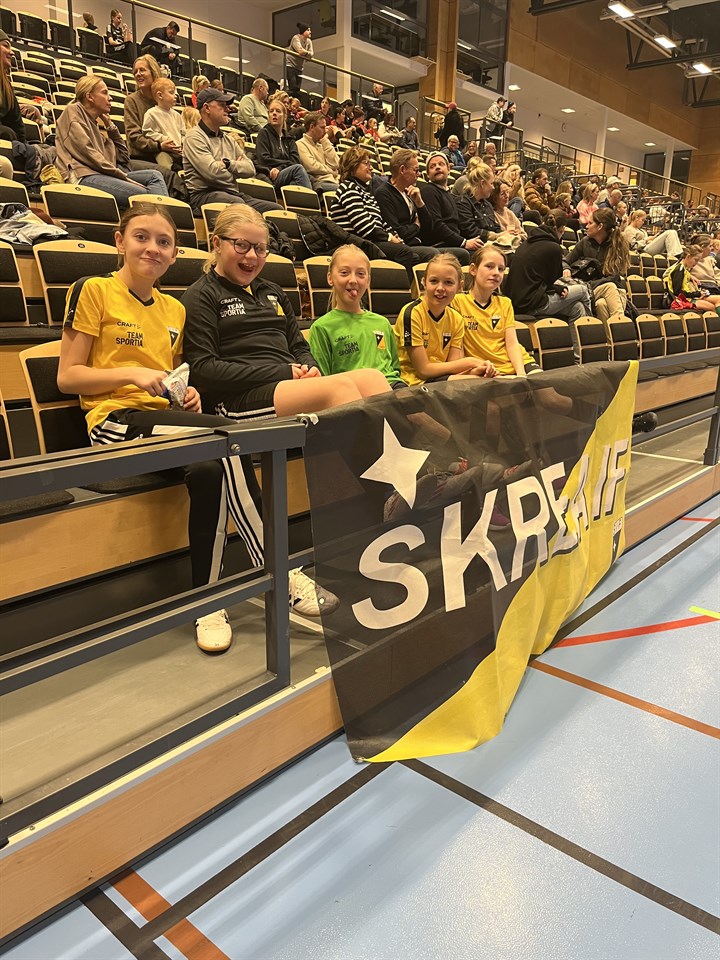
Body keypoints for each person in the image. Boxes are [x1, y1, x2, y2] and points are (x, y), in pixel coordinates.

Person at [182, 202, 392, 442]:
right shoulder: (202, 295)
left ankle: (400, 463)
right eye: (241, 245)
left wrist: (310, 367)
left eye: (260, 248)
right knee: (339, 389)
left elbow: (298, 346)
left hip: (285, 387)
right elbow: (204, 369)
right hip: (235, 401)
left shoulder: (272, 291)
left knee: (372, 379)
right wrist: (282, 372)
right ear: (217, 244)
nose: (251, 256)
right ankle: (378, 465)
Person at [55, 75, 167, 208]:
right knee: (147, 196)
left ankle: (162, 219)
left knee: (154, 176)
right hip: (82, 176)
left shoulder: (95, 126)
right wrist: (123, 177)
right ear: (90, 97)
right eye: (104, 93)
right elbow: (88, 153)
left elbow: (123, 157)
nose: (110, 98)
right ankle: (164, 219)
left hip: (100, 175)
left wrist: (110, 126)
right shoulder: (73, 111)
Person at [393, 253, 496, 385]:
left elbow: (452, 368)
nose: (440, 288)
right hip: (412, 382)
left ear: (460, 286)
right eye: (434, 281)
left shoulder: (456, 319)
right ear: (424, 282)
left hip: (441, 380)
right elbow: (423, 370)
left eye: (448, 282)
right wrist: (471, 362)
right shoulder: (412, 313)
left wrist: (475, 371)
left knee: (485, 379)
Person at [309, 245, 404, 387]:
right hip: (354, 393)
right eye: (344, 273)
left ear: (368, 281)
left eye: (360, 274)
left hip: (392, 387)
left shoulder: (382, 323)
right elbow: (323, 382)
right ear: (330, 278)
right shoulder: (322, 328)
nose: (353, 280)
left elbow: (395, 369)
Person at [330, 145, 425, 280]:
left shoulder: (366, 192)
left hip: (369, 242)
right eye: (367, 164)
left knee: (413, 256)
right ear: (353, 165)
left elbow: (380, 222)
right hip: (355, 244)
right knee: (404, 253)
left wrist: (394, 235)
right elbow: (364, 227)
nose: (371, 168)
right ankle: (394, 292)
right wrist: (389, 238)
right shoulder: (348, 188)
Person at [182, 88, 282, 215]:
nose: (228, 109)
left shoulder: (228, 140)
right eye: (222, 105)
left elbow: (250, 169)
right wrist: (235, 172)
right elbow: (212, 173)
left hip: (232, 194)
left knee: (276, 210)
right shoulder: (194, 137)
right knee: (239, 206)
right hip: (204, 195)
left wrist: (228, 164)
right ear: (207, 108)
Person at [503, 212, 592, 354]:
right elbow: (554, 278)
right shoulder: (553, 248)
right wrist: (555, 286)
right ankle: (590, 331)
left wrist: (555, 287)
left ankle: (578, 356)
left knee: (577, 308)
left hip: (518, 300)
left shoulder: (527, 243)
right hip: (532, 303)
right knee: (583, 290)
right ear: (562, 229)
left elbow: (540, 279)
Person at [452, 245, 541, 377]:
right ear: (473, 269)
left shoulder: (505, 303)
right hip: (487, 368)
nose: (496, 273)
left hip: (518, 362)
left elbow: (512, 344)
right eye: (489, 266)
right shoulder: (457, 302)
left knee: (545, 388)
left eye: (501, 269)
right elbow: (458, 348)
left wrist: (521, 374)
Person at [373, 148, 443, 266]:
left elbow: (429, 228)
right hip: (403, 247)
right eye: (416, 170)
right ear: (402, 170)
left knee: (460, 255)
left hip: (418, 243)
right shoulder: (384, 193)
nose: (419, 174)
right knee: (433, 254)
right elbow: (397, 231)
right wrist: (416, 225)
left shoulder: (409, 193)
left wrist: (420, 203)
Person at [563, 207, 631, 323]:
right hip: (590, 290)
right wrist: (566, 268)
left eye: (590, 223)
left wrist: (588, 285)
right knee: (608, 289)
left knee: (601, 304)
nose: (586, 226)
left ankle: (611, 333)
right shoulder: (585, 242)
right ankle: (621, 326)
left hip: (612, 291)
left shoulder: (617, 244)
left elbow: (612, 278)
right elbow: (565, 261)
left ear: (600, 226)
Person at [419, 152, 483, 257]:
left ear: (448, 169)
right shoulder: (428, 191)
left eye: (441, 164)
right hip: (438, 244)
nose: (437, 167)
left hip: (452, 243)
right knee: (475, 255)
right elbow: (437, 225)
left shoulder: (449, 194)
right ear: (428, 175)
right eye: (432, 166)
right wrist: (464, 242)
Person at [124, 55, 182, 169]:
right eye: (135, 72)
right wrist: (159, 146)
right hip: (143, 158)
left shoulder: (164, 99)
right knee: (170, 174)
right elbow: (134, 137)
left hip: (169, 154)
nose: (138, 74)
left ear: (153, 72)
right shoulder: (131, 101)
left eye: (142, 70)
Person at [253, 99, 313, 191]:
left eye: (278, 111)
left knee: (325, 186)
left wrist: (280, 167)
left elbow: (295, 161)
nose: (274, 113)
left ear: (285, 116)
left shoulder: (289, 139)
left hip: (285, 173)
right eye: (271, 111)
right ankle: (311, 199)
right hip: (270, 175)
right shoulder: (264, 133)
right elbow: (264, 160)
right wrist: (283, 165)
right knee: (298, 169)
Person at [142, 78, 184, 170]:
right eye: (171, 92)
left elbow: (183, 133)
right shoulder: (151, 113)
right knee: (165, 168)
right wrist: (163, 139)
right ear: (160, 95)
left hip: (179, 151)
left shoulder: (177, 115)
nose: (176, 95)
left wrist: (183, 142)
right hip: (163, 150)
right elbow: (147, 132)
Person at [663, 245, 720, 312]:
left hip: (689, 297)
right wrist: (698, 294)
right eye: (696, 260)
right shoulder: (679, 270)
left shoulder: (685, 269)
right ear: (688, 256)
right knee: (711, 307)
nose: (696, 263)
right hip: (681, 300)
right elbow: (678, 293)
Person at [456, 162, 502, 243]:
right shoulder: (462, 203)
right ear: (482, 183)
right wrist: (492, 236)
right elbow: (469, 231)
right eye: (491, 183)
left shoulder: (488, 205)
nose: (493, 188)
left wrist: (504, 234)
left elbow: (495, 227)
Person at [297, 111, 339, 192]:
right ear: (312, 127)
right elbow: (312, 167)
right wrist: (331, 172)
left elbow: (335, 164)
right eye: (322, 127)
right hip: (319, 184)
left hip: (333, 182)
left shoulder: (322, 144)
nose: (325, 131)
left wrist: (325, 140)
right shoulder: (300, 144)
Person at [0, 30, 25, 143]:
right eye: (6, 46)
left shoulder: (6, 85)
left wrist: (24, 148)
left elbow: (17, 124)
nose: (12, 53)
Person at [489, 179, 526, 245]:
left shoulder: (509, 213)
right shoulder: (492, 215)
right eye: (502, 194)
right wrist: (507, 234)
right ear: (494, 197)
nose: (507, 196)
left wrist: (517, 235)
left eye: (507, 192)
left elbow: (524, 234)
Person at [286, 23, 313, 98]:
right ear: (303, 31)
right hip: (291, 65)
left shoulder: (309, 41)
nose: (310, 32)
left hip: (299, 67)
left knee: (297, 89)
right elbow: (300, 51)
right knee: (292, 87)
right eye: (308, 30)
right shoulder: (296, 38)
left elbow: (311, 54)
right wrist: (307, 54)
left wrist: (305, 53)